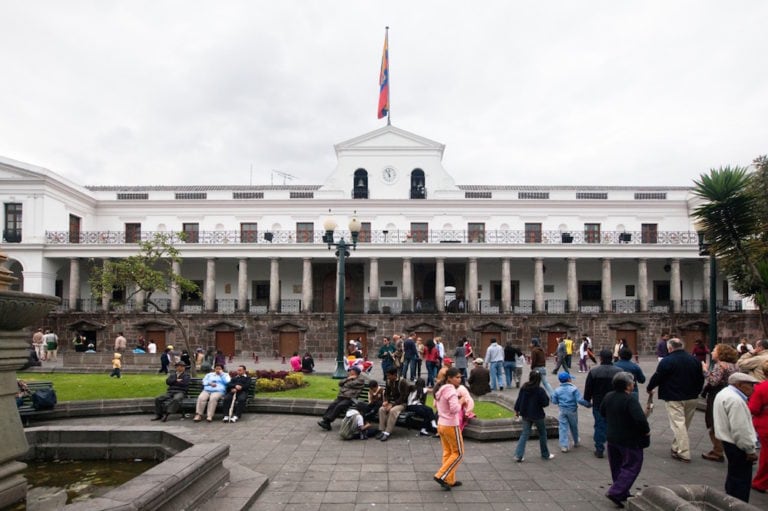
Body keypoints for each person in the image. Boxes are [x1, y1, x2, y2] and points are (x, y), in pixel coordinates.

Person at [646, 337, 705, 463]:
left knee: (678, 424)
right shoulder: (694, 360)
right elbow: (700, 378)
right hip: (692, 396)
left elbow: (658, 376)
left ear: (670, 348)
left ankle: (684, 452)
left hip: (674, 396)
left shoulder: (667, 361)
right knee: (684, 424)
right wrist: (698, 391)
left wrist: (650, 387)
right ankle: (676, 446)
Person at [600, 372, 651, 508]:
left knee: (616, 466)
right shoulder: (630, 399)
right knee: (632, 465)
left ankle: (622, 491)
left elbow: (602, 412)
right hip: (629, 439)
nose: (633, 384)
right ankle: (616, 491)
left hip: (612, 437)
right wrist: (646, 431)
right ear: (628, 385)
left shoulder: (608, 396)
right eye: (632, 382)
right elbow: (640, 419)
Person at [714, 372, 759, 502]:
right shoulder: (736, 400)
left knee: (733, 476)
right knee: (741, 481)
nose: (753, 388)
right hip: (737, 445)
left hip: (727, 441)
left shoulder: (724, 393)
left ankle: (729, 501)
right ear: (739, 385)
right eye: (750, 385)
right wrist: (750, 450)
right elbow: (740, 429)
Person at [701, 343, 739, 462]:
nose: (712, 352)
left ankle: (717, 451)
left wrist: (705, 370)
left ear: (720, 353)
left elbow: (713, 382)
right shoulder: (734, 365)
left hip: (718, 395)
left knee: (714, 422)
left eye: (714, 350)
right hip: (731, 394)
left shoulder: (720, 365)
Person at [584, 349, 622, 458]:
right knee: (615, 424)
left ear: (600, 358)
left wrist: (587, 399)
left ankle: (599, 448)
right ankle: (615, 448)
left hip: (599, 402)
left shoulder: (594, 371)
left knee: (599, 425)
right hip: (615, 402)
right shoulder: (619, 371)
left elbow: (588, 388)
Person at [433, 367, 464, 490]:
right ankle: (441, 475)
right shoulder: (451, 391)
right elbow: (455, 409)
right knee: (459, 453)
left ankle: (449, 479)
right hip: (450, 425)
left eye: (460, 377)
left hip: (441, 424)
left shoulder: (441, 389)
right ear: (449, 379)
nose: (459, 379)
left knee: (448, 452)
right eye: (457, 377)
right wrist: (461, 401)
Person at [513, 370, 554, 462]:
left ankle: (518, 455)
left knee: (524, 434)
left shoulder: (524, 387)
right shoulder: (540, 390)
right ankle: (545, 454)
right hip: (537, 414)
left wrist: (517, 410)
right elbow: (545, 403)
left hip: (526, 414)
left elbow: (519, 399)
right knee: (542, 433)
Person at [551, 372, 591, 453]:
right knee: (574, 426)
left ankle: (564, 446)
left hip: (562, 410)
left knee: (562, 428)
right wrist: (588, 404)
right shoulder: (574, 389)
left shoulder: (557, 390)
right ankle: (576, 441)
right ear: (569, 379)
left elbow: (554, 401)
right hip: (572, 410)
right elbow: (579, 400)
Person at [317, 366, 366, 430]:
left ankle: (327, 422)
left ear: (355, 372)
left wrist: (346, 381)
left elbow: (350, 384)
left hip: (350, 398)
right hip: (342, 396)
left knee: (340, 406)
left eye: (351, 370)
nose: (349, 371)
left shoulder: (360, 380)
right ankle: (326, 420)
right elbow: (340, 383)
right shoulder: (349, 377)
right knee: (332, 405)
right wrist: (348, 378)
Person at [749, 359, 768, 493]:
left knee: (766, 455)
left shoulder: (762, 388)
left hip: (765, 424)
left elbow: (754, 409)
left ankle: (760, 482)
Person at [377, 366, 410, 441]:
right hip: (393, 402)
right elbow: (387, 393)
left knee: (392, 411)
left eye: (389, 375)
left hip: (402, 404)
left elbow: (404, 397)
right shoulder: (388, 381)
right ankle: (382, 430)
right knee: (382, 409)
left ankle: (387, 432)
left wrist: (392, 405)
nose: (387, 377)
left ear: (394, 375)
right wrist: (386, 401)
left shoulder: (402, 382)